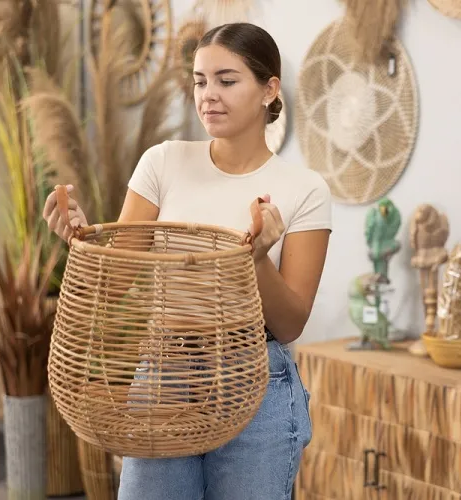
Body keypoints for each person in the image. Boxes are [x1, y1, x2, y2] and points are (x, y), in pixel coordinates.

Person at [42, 22, 332, 500]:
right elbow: (114, 286)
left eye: (227, 79)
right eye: (200, 81)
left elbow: (290, 322)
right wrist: (79, 237)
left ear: (269, 89)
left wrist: (256, 259)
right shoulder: (164, 162)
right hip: (163, 377)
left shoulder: (306, 190)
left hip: (255, 382)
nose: (208, 95)